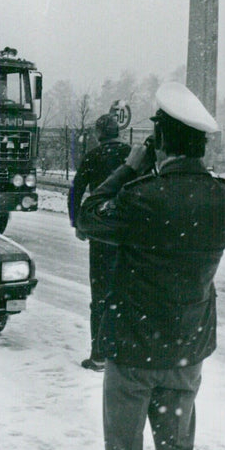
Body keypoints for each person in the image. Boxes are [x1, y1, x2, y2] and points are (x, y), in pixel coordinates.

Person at [77, 82, 225, 450]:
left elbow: (89, 215)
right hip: (187, 349)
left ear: (160, 139)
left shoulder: (141, 196)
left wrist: (129, 167)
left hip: (135, 348)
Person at [68, 113, 131, 371]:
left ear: (98, 134)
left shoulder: (93, 156)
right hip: (130, 233)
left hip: (102, 233)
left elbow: (76, 189)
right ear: (118, 132)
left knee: (101, 296)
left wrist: (78, 223)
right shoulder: (131, 155)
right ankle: (126, 352)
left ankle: (99, 355)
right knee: (128, 293)